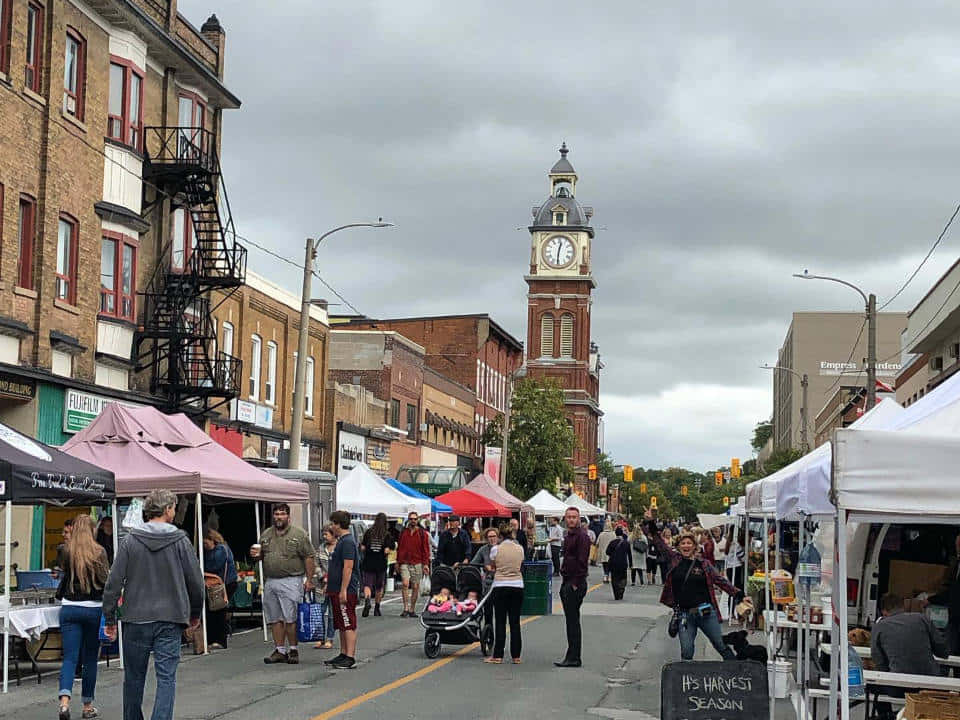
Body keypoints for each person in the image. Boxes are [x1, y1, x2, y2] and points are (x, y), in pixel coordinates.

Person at [102, 489, 204, 720]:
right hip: (171, 618)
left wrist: (109, 618)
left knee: (134, 678)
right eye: (174, 508)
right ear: (168, 510)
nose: (175, 512)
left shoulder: (130, 541)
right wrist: (194, 613)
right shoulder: (181, 541)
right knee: (166, 677)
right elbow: (196, 582)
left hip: (136, 617)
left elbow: (113, 582)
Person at [645, 509, 744, 661]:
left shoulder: (704, 564)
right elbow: (658, 542)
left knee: (720, 644)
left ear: (694, 546)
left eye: (689, 543)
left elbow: (720, 581)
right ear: (678, 546)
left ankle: (736, 671)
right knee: (687, 650)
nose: (686, 546)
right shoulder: (674, 559)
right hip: (685, 614)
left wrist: (738, 594)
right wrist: (651, 522)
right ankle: (687, 680)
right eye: (683, 543)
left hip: (705, 612)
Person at [56, 515, 110, 720]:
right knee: (89, 659)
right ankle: (87, 705)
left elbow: (62, 571)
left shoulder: (65, 551)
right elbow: (106, 580)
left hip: (69, 607)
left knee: (69, 658)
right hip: (93, 608)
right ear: (92, 530)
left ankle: (64, 702)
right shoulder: (99, 552)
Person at [251, 503, 316, 665]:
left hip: (291, 580)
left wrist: (309, 579)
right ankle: (280, 650)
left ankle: (293, 649)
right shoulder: (266, 535)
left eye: (282, 514)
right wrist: (256, 555)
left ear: (288, 516)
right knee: (274, 618)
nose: (278, 517)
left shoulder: (299, 534)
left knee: (290, 618)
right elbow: (261, 557)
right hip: (271, 581)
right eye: (276, 514)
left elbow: (309, 557)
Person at [871, 593, 949, 720]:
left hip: (898, 688)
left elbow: (878, 662)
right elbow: (944, 652)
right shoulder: (922, 619)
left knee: (874, 685)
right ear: (903, 607)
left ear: (884, 611)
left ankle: (887, 716)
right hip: (931, 685)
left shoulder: (879, 627)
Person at [324, 510, 361, 669]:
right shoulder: (342, 541)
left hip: (345, 589)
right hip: (335, 588)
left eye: (333, 523)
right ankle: (343, 652)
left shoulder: (347, 542)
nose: (332, 526)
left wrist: (344, 589)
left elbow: (348, 566)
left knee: (347, 622)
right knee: (340, 622)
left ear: (339, 524)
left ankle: (350, 656)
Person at [484, 523, 526, 665]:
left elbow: (494, 565)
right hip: (517, 585)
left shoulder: (496, 549)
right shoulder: (520, 548)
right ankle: (516, 655)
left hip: (500, 585)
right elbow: (520, 564)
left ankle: (498, 655)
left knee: (500, 621)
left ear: (500, 536)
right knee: (515, 622)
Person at [555, 507, 591, 668]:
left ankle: (574, 657)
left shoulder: (582, 537)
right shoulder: (568, 536)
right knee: (571, 620)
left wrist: (575, 584)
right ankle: (572, 655)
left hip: (575, 583)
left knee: (573, 621)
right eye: (569, 517)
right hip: (567, 581)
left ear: (579, 519)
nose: (571, 520)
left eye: (574, 517)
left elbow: (583, 561)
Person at [202, 529, 237, 650]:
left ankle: (220, 640)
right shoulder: (213, 550)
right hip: (217, 584)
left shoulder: (221, 550)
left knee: (219, 611)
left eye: (206, 543)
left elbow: (214, 566)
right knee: (214, 611)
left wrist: (202, 567)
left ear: (213, 540)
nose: (205, 546)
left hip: (225, 583)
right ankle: (213, 639)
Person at [360, 512, 396, 618]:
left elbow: (362, 547)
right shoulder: (387, 534)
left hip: (368, 562)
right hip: (380, 563)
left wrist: (366, 550)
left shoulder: (369, 532)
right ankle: (377, 608)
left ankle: (367, 599)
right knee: (379, 586)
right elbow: (389, 549)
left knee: (367, 584)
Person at [396, 511, 431, 617]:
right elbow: (400, 548)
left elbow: (426, 549)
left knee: (415, 586)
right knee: (405, 583)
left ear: (418, 520)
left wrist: (426, 564)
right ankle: (405, 607)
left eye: (415, 519)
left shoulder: (422, 533)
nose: (413, 521)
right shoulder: (403, 532)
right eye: (411, 519)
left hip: (417, 562)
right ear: (408, 519)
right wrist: (397, 562)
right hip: (405, 562)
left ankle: (412, 609)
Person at [312, 524, 339, 650]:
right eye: (323, 534)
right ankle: (319, 638)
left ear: (334, 535)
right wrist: (322, 577)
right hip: (321, 585)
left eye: (326, 534)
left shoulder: (339, 547)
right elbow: (316, 564)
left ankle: (330, 638)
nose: (324, 537)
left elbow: (341, 566)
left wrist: (330, 580)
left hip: (335, 586)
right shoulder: (321, 548)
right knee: (320, 612)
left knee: (332, 614)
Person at [471, 526, 500, 626]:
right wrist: (483, 566)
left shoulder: (502, 548)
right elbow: (473, 563)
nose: (492, 538)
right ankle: (489, 631)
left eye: (494, 536)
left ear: (498, 537)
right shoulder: (483, 549)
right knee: (488, 609)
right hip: (488, 582)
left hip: (501, 581)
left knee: (500, 612)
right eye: (489, 537)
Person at [606, 527, 632, 600]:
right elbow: (629, 554)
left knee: (614, 579)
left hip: (613, 563)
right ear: (622, 534)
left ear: (615, 533)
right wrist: (630, 564)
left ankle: (616, 594)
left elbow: (607, 552)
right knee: (623, 577)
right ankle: (621, 589)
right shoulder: (626, 543)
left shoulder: (612, 542)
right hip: (623, 563)